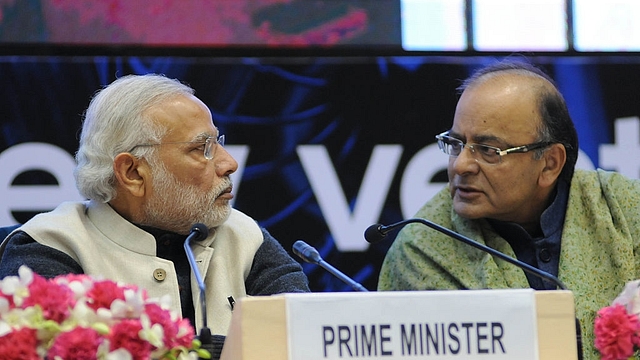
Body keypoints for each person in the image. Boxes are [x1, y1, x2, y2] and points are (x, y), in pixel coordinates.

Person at [0, 74, 310, 358]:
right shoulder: (51, 246)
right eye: (202, 148)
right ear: (132, 172)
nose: (229, 163)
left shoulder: (244, 237)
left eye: (218, 143)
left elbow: (303, 339)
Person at [377, 59, 640, 359]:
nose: (461, 165)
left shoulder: (627, 211)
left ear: (550, 163)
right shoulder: (421, 248)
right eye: (455, 143)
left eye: (489, 150)